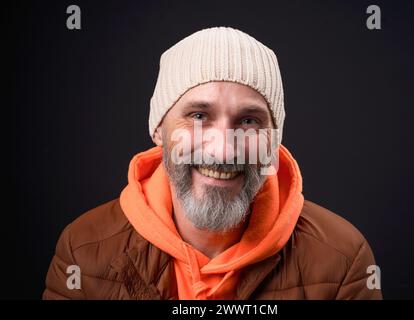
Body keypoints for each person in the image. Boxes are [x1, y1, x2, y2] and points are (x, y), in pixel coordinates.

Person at [43, 27, 382, 300]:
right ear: (159, 129)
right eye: (199, 115)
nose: (223, 150)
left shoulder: (342, 259)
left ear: (273, 141)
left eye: (249, 121)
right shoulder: (83, 250)